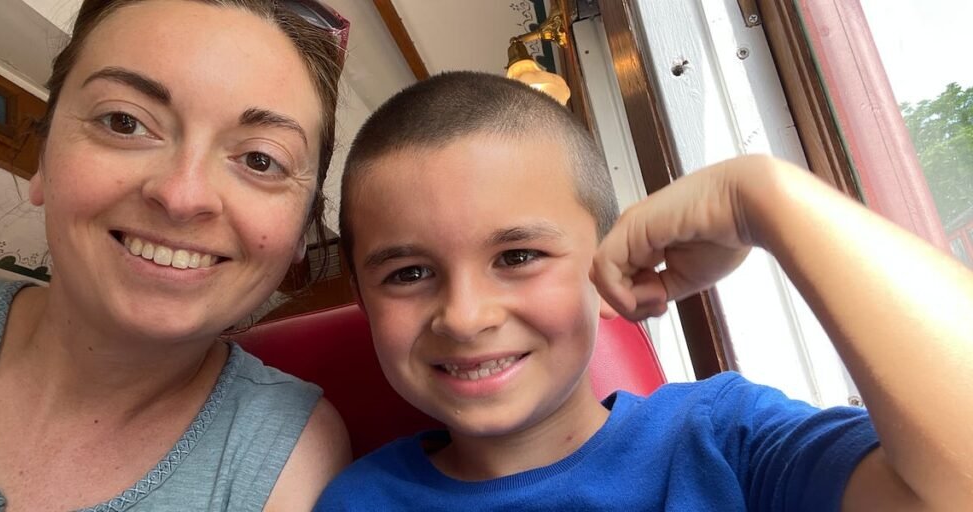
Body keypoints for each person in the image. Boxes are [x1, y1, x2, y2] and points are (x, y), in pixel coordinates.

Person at [315, 71, 973, 510]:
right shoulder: (356, 501)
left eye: (517, 256)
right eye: (408, 273)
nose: (464, 317)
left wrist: (765, 198)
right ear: (362, 296)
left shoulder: (724, 439)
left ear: (606, 264)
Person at [0, 1, 352, 510]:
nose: (182, 196)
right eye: (124, 122)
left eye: (259, 159)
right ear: (44, 156)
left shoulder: (288, 458)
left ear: (303, 229)